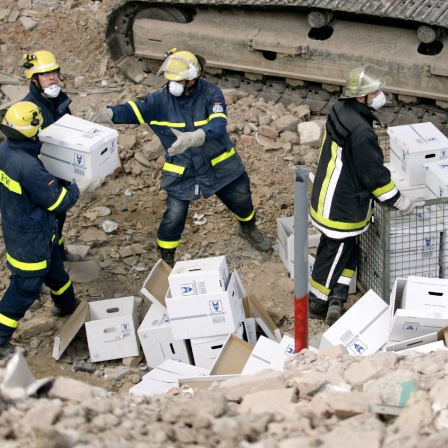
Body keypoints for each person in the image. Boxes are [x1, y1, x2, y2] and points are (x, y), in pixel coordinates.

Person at [84, 49, 271, 267]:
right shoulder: (158, 101)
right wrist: (106, 114)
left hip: (220, 165)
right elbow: (133, 109)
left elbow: (218, 123)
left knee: (242, 200)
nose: (174, 85)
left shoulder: (211, 94)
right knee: (174, 216)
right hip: (183, 170)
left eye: (179, 80)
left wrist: (196, 136)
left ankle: (248, 229)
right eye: (171, 79)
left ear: (193, 79)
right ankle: (166, 257)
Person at [309, 63, 419, 325]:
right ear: (362, 97)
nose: (381, 94)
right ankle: (317, 302)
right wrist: (398, 200)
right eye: (376, 91)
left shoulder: (340, 109)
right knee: (334, 254)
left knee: (346, 251)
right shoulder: (360, 131)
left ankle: (338, 295)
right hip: (341, 206)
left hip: (327, 195)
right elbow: (373, 175)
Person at [0, 101, 82, 362]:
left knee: (55, 270)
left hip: (28, 225)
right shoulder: (29, 166)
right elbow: (57, 202)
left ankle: (67, 305)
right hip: (29, 234)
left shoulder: (6, 150)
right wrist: (77, 187)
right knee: (26, 286)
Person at [21, 50, 82, 262]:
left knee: (59, 218)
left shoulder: (59, 101)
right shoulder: (28, 109)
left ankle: (58, 252)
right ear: (35, 79)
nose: (52, 77)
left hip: (60, 170)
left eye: (54, 72)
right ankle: (47, 263)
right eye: (46, 74)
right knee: (45, 221)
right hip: (42, 175)